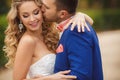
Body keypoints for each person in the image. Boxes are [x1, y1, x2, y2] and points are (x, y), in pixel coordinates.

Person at [3, 0, 93, 80]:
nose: (32, 19)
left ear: (42, 11)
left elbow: (90, 22)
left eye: (36, 12)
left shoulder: (50, 33)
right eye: (25, 16)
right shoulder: (28, 41)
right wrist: (50, 78)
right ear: (20, 19)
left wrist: (79, 15)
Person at [39, 0, 103, 80]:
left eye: (46, 7)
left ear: (62, 14)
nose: (41, 9)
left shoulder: (76, 30)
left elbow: (80, 76)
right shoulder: (68, 28)